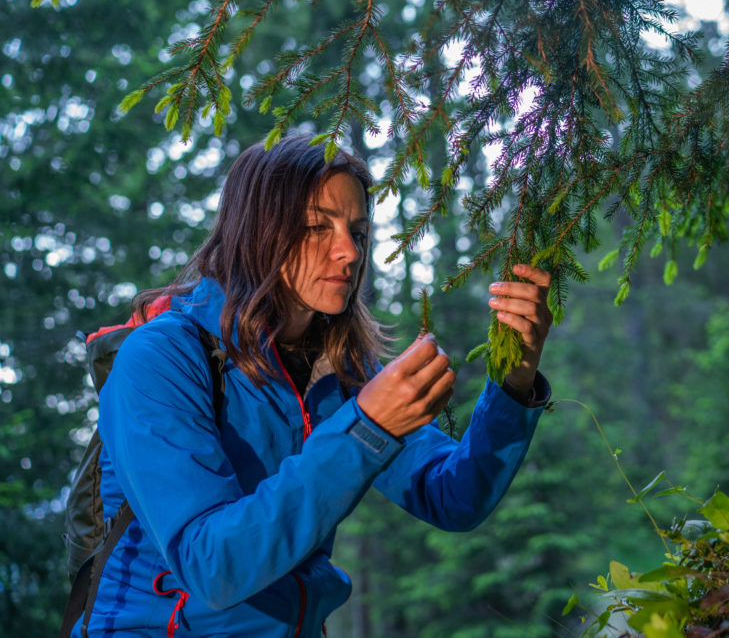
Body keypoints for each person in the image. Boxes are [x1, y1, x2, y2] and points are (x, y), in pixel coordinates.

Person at [79, 135, 553, 636]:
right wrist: (366, 430)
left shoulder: (338, 373)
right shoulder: (160, 359)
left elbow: (455, 496)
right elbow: (212, 566)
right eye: (315, 227)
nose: (348, 252)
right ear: (257, 231)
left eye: (359, 231)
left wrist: (515, 378)